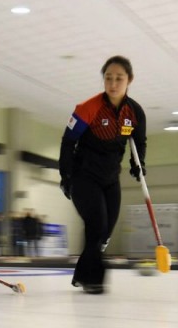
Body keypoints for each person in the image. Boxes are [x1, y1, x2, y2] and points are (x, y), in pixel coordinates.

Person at [58, 55, 147, 294]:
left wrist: (138, 164)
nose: (113, 83)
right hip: (84, 175)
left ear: (130, 80)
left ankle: (82, 274)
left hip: (110, 178)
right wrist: (65, 176)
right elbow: (68, 142)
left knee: (105, 232)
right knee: (97, 225)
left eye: (119, 78)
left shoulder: (134, 112)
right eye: (108, 78)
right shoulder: (88, 108)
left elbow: (138, 142)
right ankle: (94, 280)